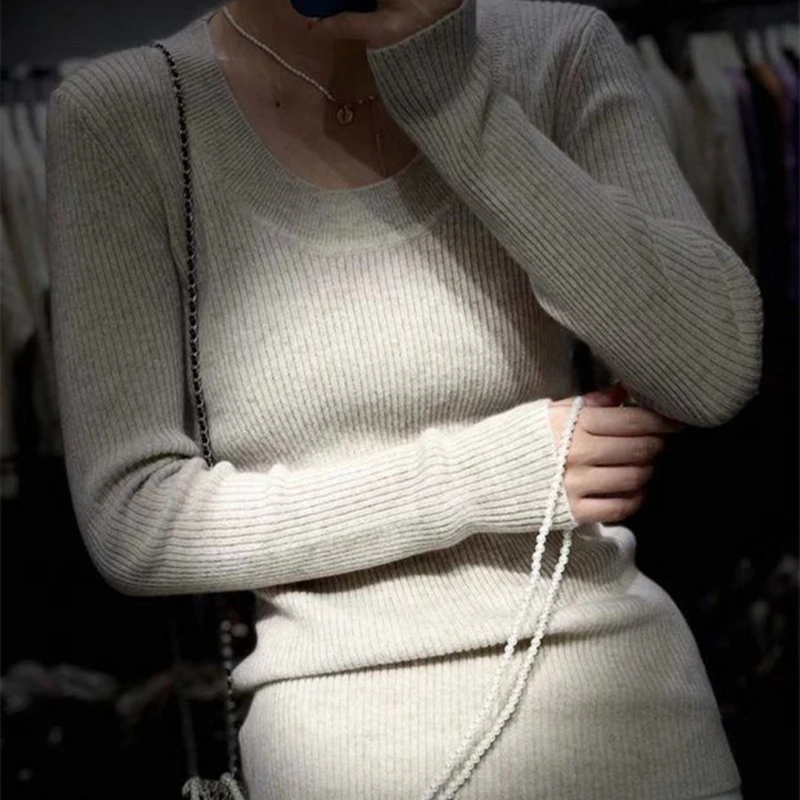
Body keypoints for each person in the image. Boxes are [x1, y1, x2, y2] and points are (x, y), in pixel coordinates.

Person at [45, 0, 762, 797]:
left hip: (635, 725)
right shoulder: (133, 112)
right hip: (345, 750)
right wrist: (484, 476)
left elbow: (711, 369)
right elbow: (135, 515)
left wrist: (451, 95)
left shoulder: (557, 51)